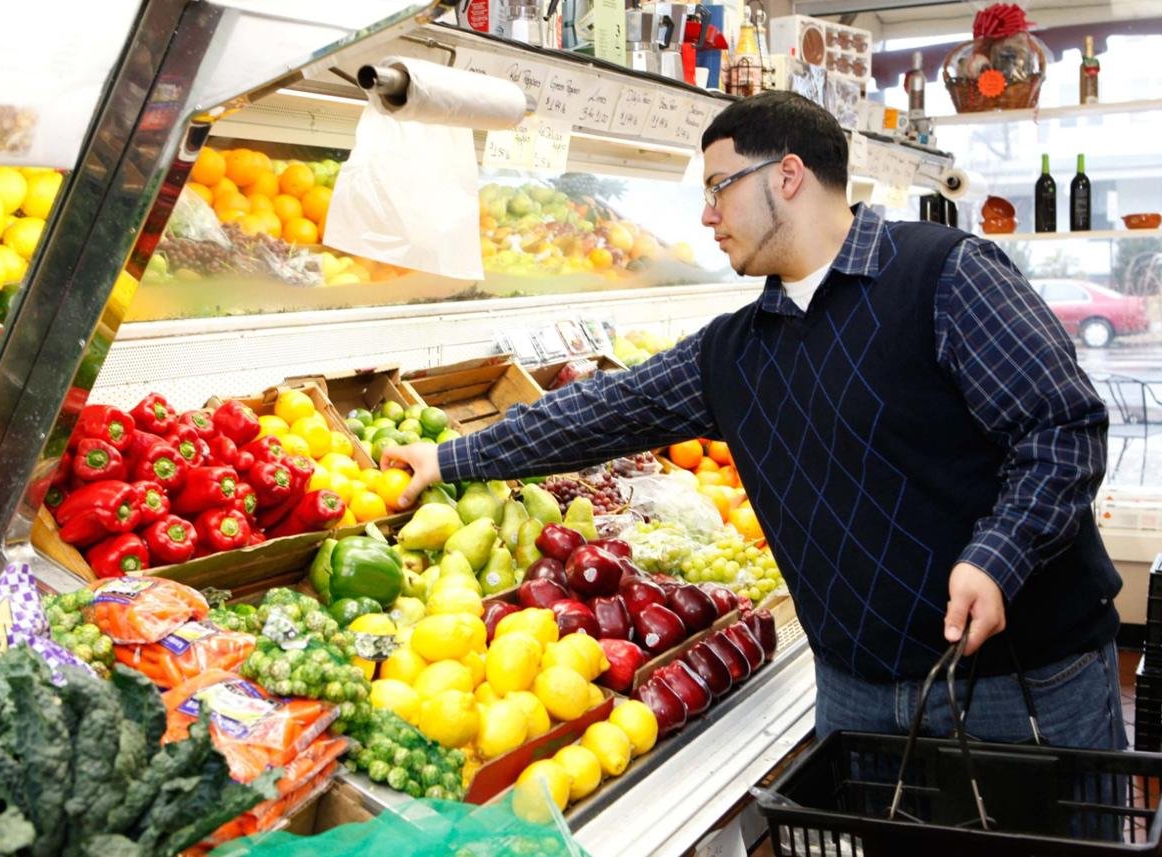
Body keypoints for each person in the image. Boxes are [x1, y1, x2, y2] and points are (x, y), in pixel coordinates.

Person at [384, 91, 1126, 752]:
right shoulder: (738, 348)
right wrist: (450, 460)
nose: (707, 215)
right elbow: (607, 410)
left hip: (1022, 682)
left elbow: (1062, 429)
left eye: (717, 187)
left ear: (788, 176)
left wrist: (998, 554)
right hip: (858, 692)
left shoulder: (943, 275)